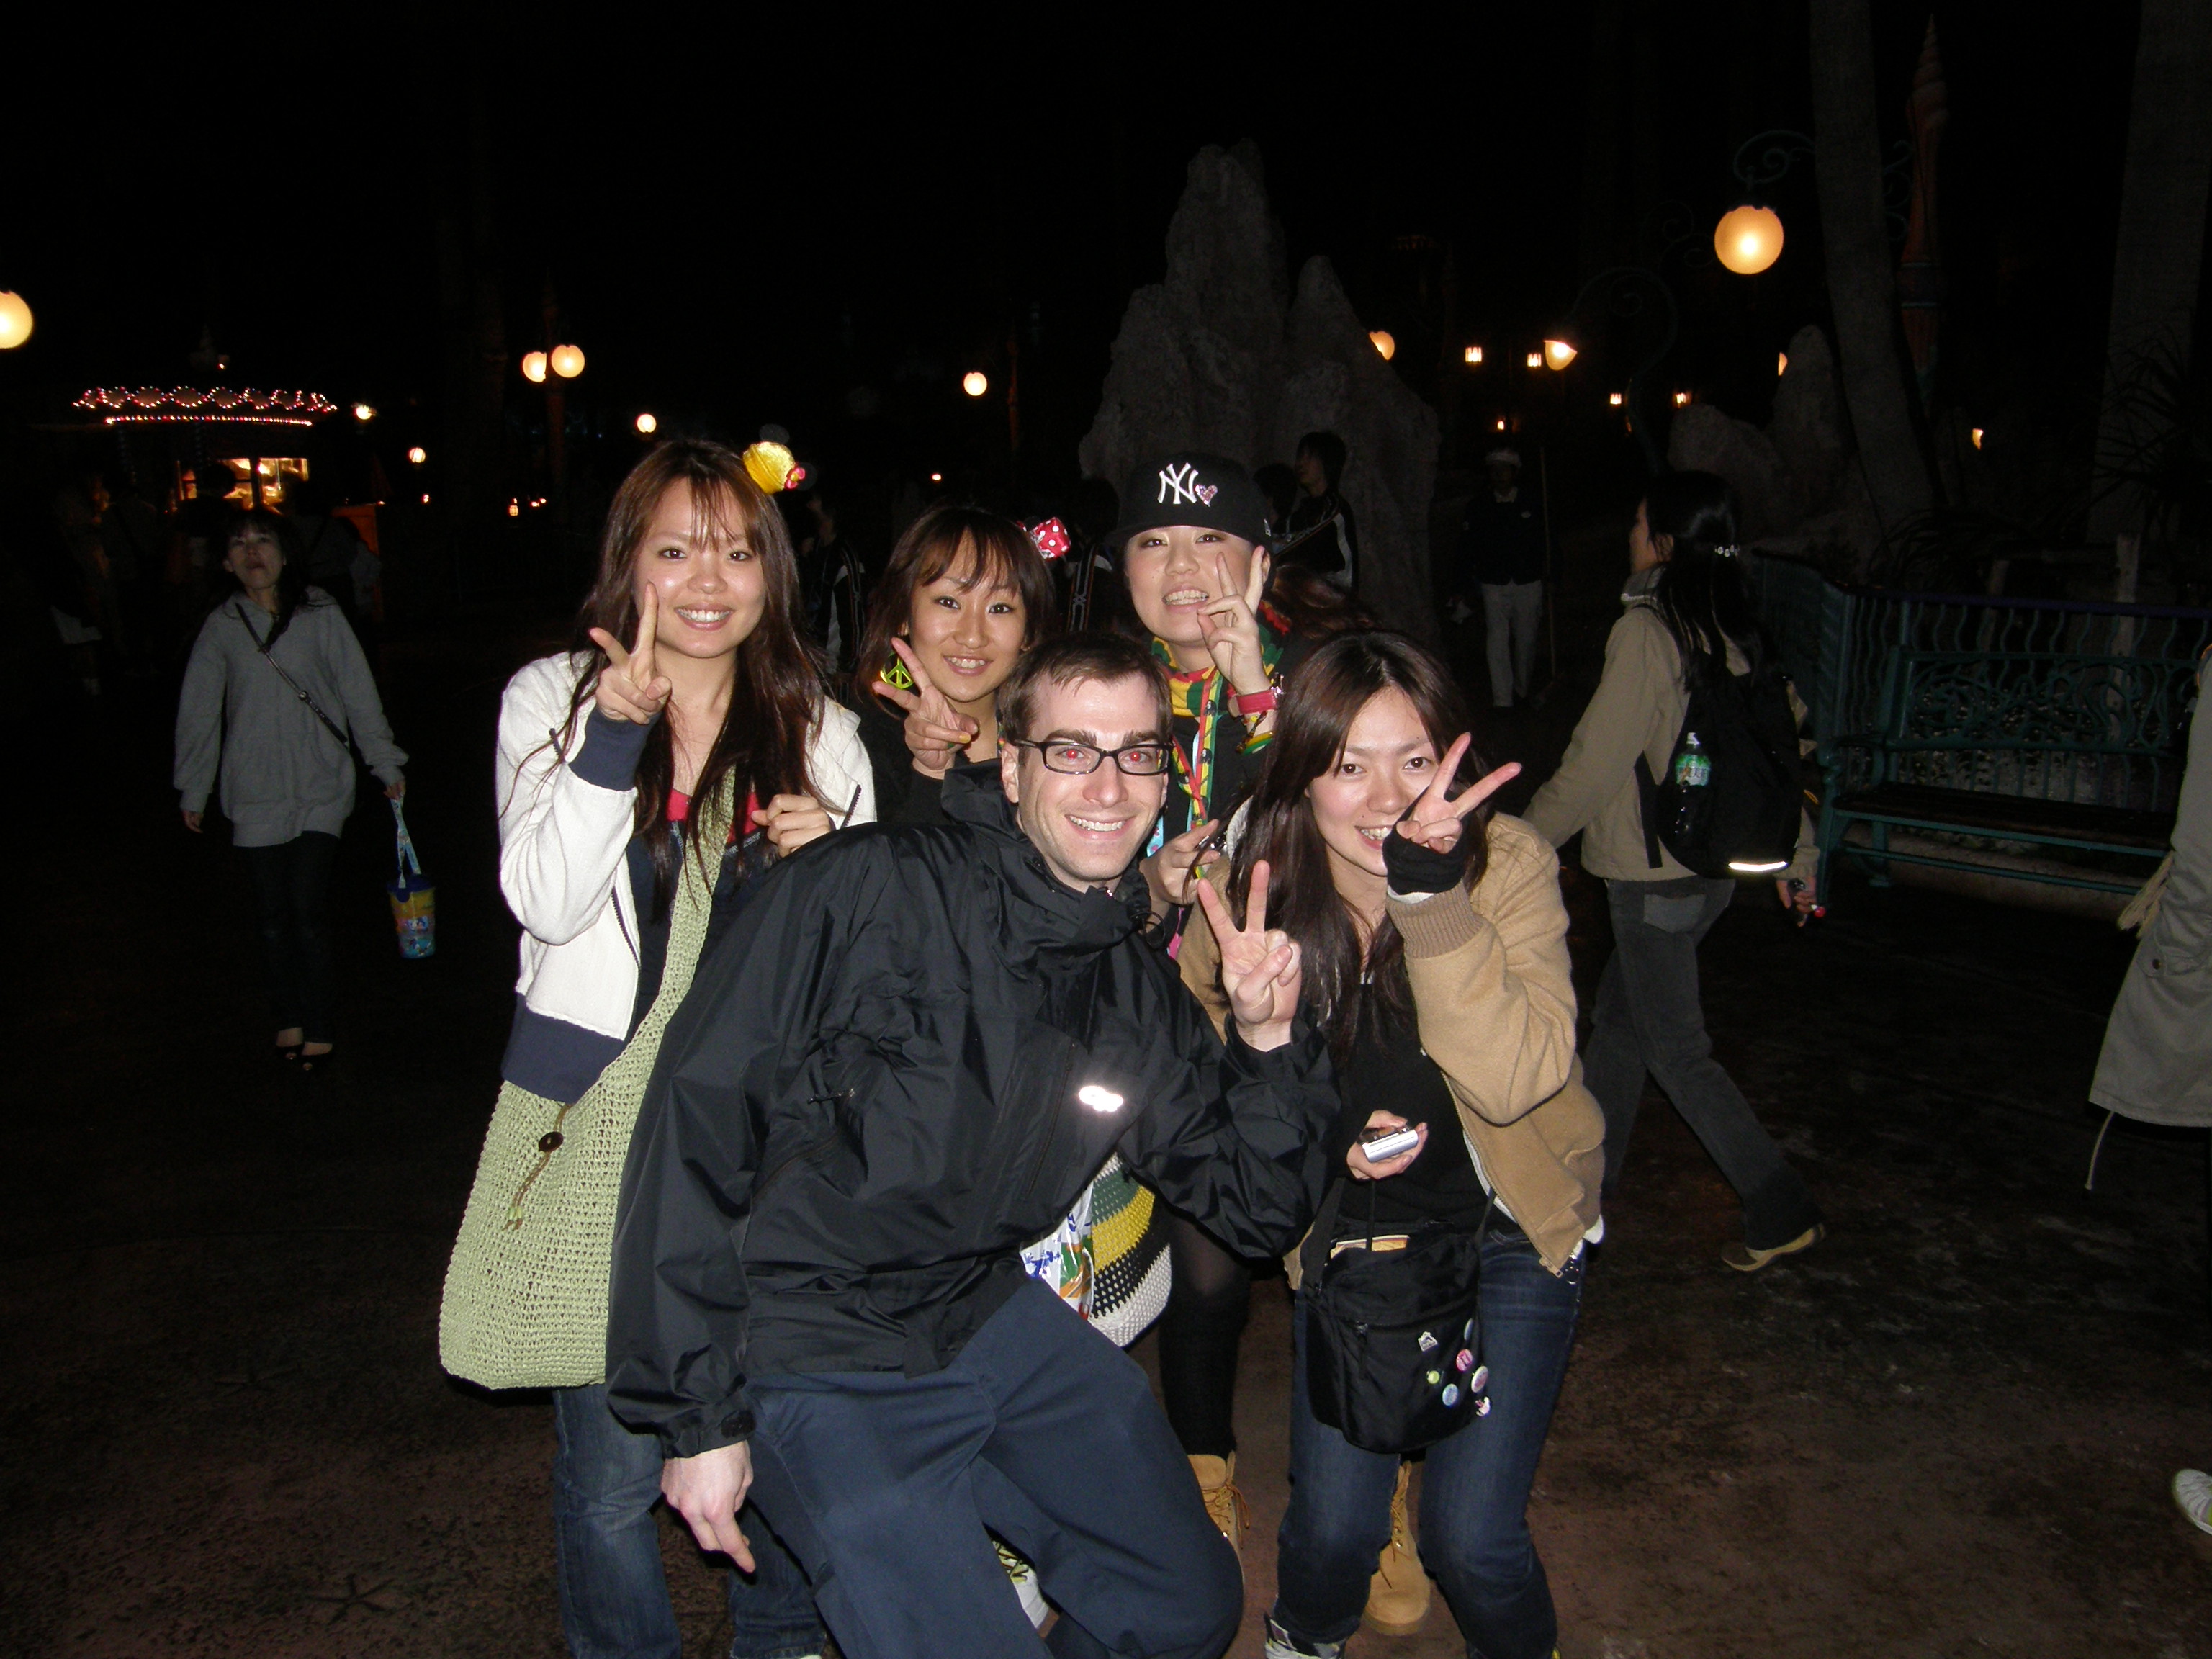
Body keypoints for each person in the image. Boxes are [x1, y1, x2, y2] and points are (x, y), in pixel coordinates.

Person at [606, 632, 1337, 1659]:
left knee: (1185, 1600)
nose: (1109, 785)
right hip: (809, 1341)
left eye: (1137, 754)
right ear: (1015, 768)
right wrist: (697, 1419)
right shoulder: (867, 887)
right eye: (1072, 750)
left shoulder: (1129, 991)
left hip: (979, 1312)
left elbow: (1255, 1208)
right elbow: (696, 1119)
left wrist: (1268, 1044)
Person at [455, 438, 873, 1659]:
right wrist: (613, 736)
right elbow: (543, 901)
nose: (707, 580)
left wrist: (834, 867)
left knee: (778, 1435)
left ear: (772, 572)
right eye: (676, 549)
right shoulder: (553, 699)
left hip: (759, 1139)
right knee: (607, 1471)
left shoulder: (820, 728)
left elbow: (865, 978)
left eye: (736, 551)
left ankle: (780, 1643)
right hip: (600, 1119)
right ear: (627, 562)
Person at [1180, 631, 1601, 1659]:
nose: (1385, 800)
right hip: (1354, 1238)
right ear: (1301, 774)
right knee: (1334, 1528)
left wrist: (1431, 899)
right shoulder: (1251, 892)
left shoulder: (1506, 866)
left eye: (1413, 761)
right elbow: (1196, 1096)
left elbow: (1517, 1079)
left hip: (1513, 1231)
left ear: (1452, 758)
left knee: (1473, 1540)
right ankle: (1305, 1635)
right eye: (1347, 766)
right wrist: (1319, 1130)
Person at [1523, 471, 1823, 1271]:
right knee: (1623, 1029)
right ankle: (1585, 1185)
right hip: (1714, 874)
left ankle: (1779, 1203)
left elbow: (1593, 765)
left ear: (1661, 542)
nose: (1629, 535)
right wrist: (1801, 855)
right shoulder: (1736, 624)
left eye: (1637, 523)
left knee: (1677, 1051)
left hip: (1652, 880)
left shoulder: (1649, 633)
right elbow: (1780, 754)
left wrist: (1512, 846)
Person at [174, 508, 405, 1072]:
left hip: (320, 779)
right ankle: (288, 1018)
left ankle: (320, 1023)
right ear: (226, 561)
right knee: (271, 916)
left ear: (284, 553)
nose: (252, 552)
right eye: (240, 543)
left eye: (264, 540)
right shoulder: (222, 625)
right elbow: (199, 711)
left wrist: (383, 761)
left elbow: (356, 689)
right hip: (254, 788)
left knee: (306, 907)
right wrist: (194, 787)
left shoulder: (320, 611)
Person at [849, 503, 1058, 824]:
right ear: (903, 613)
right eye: (949, 602)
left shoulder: (1053, 733)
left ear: (1028, 632)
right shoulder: (854, 744)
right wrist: (931, 772)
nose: (972, 637)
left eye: (1000, 608)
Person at [1460, 448, 1547, 710]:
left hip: (1527, 580)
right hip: (1494, 582)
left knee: (1526, 638)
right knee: (1497, 639)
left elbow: (1546, 540)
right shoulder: (1479, 506)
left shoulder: (1533, 502)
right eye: (1494, 470)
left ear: (1514, 472)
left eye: (1504, 469)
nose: (1499, 475)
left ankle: (1521, 688)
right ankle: (1502, 699)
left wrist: (1552, 573)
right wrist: (1465, 582)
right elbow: (1468, 546)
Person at [1282, 431, 1358, 588]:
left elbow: (1305, 547)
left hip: (1334, 597)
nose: (1300, 464)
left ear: (1326, 461)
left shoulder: (1335, 510)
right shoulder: (1300, 514)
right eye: (1299, 457)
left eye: (1309, 457)